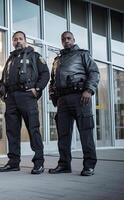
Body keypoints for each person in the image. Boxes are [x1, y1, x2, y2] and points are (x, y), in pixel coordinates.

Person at [48, 31, 100, 176]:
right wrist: (53, 96)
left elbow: (94, 72)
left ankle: (89, 165)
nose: (66, 40)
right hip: (62, 100)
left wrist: (89, 90)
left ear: (74, 39)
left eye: (69, 38)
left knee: (86, 132)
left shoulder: (83, 54)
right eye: (63, 39)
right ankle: (64, 164)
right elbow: (52, 81)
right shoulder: (57, 60)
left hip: (80, 97)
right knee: (63, 134)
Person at [0, 31, 49, 174]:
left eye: (20, 39)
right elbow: (3, 78)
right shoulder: (10, 59)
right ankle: (14, 162)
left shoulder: (35, 56)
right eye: (15, 39)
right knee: (12, 132)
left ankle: (39, 163)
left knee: (33, 129)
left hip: (27, 96)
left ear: (25, 41)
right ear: (12, 42)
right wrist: (3, 92)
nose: (17, 41)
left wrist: (37, 89)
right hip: (11, 98)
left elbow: (45, 73)